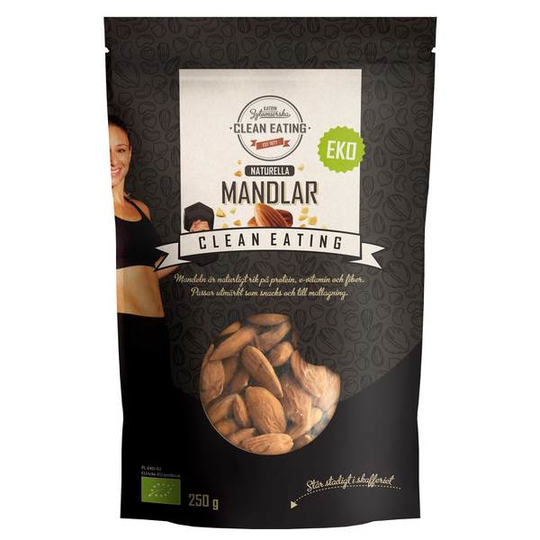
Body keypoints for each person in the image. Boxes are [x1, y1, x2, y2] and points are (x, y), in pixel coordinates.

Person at [109, 115, 176, 457]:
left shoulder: (141, 208)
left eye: (120, 150)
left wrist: (192, 249)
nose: (113, 160)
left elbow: (150, 270)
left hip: (155, 330)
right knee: (128, 422)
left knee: (157, 422)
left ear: (130, 153)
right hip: (121, 330)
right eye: (102, 150)